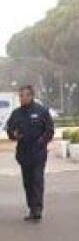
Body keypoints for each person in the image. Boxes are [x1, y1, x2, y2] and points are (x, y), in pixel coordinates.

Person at [4, 85, 55, 221]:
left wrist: (42, 141)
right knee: (28, 182)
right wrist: (13, 134)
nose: (22, 98)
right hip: (24, 153)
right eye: (20, 96)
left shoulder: (41, 111)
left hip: (38, 152)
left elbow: (49, 130)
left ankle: (37, 209)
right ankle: (32, 207)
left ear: (31, 96)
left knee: (37, 179)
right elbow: (9, 130)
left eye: (24, 95)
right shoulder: (16, 114)